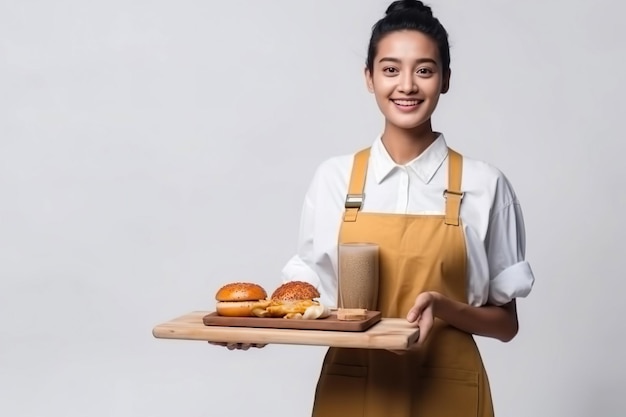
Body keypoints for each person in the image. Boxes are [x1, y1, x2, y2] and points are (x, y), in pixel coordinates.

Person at [218, 1, 535, 415]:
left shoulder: (485, 185)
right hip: (353, 388)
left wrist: (442, 307)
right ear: (369, 78)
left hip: (447, 390)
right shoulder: (334, 178)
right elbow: (309, 300)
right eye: (390, 69)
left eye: (424, 70)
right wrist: (260, 330)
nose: (407, 85)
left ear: (446, 80)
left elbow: (506, 325)